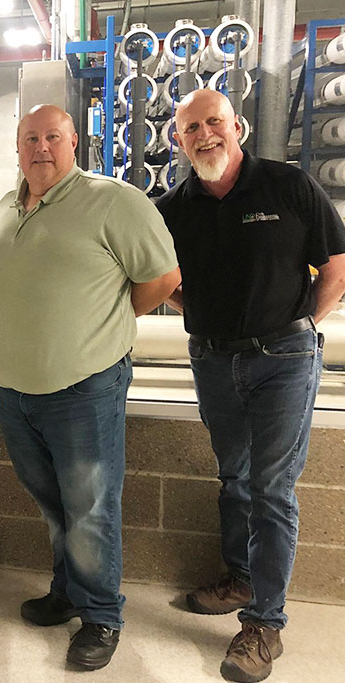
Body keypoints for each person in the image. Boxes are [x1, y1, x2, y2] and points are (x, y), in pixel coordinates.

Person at [156, 89, 345, 683]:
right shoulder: (173, 208)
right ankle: (240, 576)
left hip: (285, 358)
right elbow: (159, 279)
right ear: (178, 140)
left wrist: (305, 325)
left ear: (236, 125)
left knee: (271, 486)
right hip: (213, 360)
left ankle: (264, 624)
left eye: (214, 122)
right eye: (191, 128)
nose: (205, 135)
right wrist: (198, 315)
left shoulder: (287, 185)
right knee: (234, 476)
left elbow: (337, 262)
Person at [0, 104, 180, 670]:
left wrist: (102, 326)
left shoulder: (113, 200)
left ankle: (101, 616)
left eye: (52, 137)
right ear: (18, 148)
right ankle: (69, 590)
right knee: (53, 502)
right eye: (30, 139)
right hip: (17, 390)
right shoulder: (7, 206)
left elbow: (162, 280)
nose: (40, 147)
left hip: (83, 385)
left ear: (74, 143)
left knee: (90, 507)